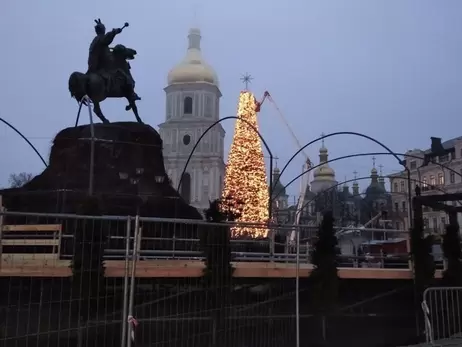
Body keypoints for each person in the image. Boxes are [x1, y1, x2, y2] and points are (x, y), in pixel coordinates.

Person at [87, 19, 140, 101]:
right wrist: (115, 31)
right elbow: (107, 38)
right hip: (105, 63)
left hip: (96, 64)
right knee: (122, 73)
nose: (105, 30)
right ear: (102, 30)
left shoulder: (95, 40)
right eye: (104, 28)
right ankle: (130, 92)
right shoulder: (100, 38)